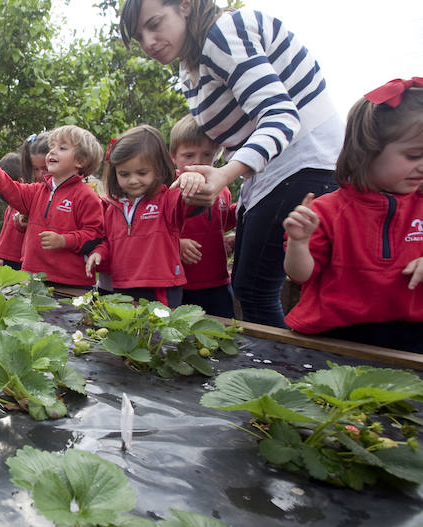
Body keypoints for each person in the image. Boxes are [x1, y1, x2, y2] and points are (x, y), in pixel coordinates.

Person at [119, 0, 342, 326]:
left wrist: (223, 175)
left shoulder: (222, 34)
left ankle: (275, 375)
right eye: (139, 36)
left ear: (184, 6)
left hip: (302, 163)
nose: (148, 43)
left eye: (154, 24)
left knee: (254, 291)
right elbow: (240, 133)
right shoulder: (191, 66)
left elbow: (280, 116)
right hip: (269, 175)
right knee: (249, 287)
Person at [283, 80, 423, 352]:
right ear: (366, 152)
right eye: (413, 155)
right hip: (337, 337)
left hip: (413, 336)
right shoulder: (328, 210)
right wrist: (299, 243)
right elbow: (300, 275)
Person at [85, 125, 204, 306]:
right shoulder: (110, 206)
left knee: (158, 332)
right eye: (124, 174)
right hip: (121, 284)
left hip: (160, 286)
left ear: (159, 169)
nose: (133, 180)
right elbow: (108, 242)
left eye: (142, 173)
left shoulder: (168, 198)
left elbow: (190, 202)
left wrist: (194, 180)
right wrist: (98, 253)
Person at [0, 126, 104, 289]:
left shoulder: (86, 196)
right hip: (33, 278)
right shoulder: (37, 190)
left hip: (71, 284)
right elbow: (10, 189)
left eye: (62, 148)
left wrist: (64, 240)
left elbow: (94, 235)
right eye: (52, 147)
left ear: (81, 161)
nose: (53, 152)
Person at [170, 114, 236, 317]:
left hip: (217, 280)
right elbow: (153, 229)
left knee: (220, 335)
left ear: (217, 154)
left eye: (206, 155)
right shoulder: (169, 188)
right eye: (189, 156)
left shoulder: (222, 188)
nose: (198, 162)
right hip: (181, 283)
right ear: (173, 156)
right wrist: (176, 243)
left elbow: (219, 222)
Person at [0, 152, 26, 270]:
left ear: (20, 182)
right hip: (9, 258)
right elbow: (7, 234)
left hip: (20, 260)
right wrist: (3, 256)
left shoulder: (25, 207)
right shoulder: (9, 207)